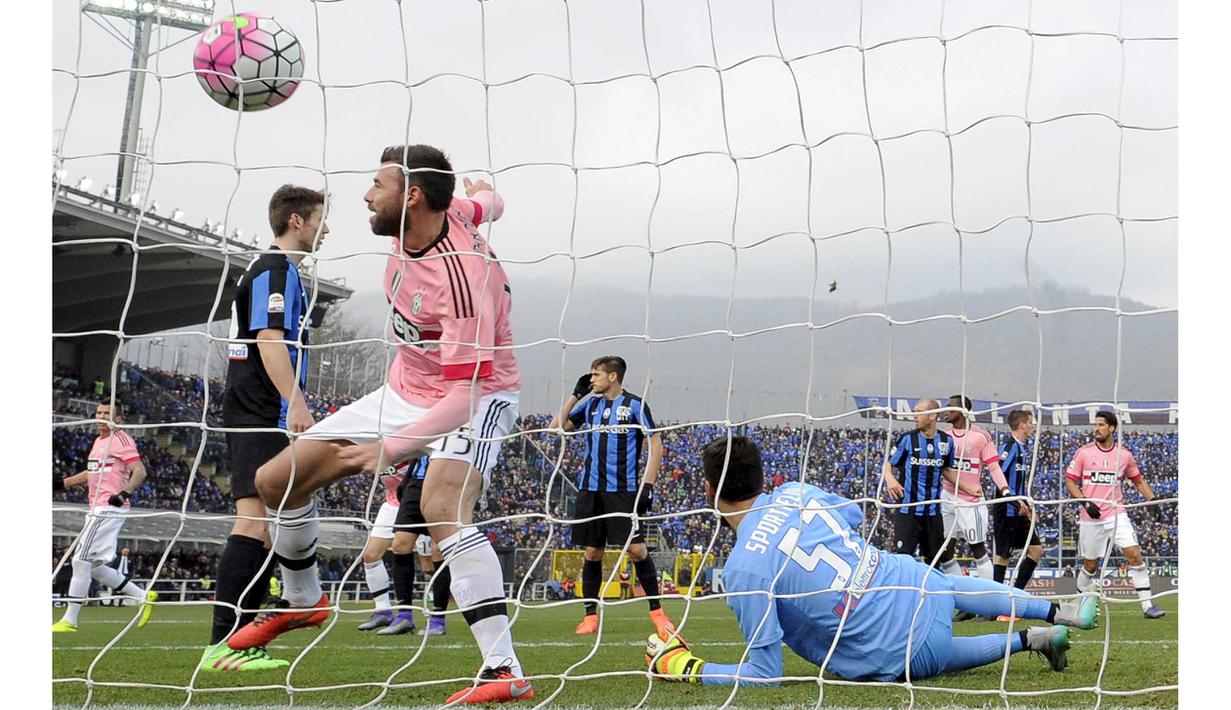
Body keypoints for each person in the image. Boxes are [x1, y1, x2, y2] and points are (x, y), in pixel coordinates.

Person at [229, 145, 531, 704]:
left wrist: (393, 448)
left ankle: (502, 669)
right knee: (277, 481)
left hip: (475, 392)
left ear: (411, 197)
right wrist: (486, 193)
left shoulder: (462, 278)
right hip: (405, 388)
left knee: (442, 507)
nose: (367, 196)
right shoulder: (443, 215)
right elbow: (486, 203)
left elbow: (462, 396)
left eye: (376, 185)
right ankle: (305, 600)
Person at [644, 436, 1100, 686]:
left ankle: (1031, 639)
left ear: (707, 490)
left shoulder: (744, 566)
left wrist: (688, 667)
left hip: (897, 650)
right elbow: (853, 517)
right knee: (943, 585)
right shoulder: (797, 492)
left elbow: (765, 674)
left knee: (935, 656)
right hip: (909, 580)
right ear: (763, 476)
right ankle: (1060, 612)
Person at [200, 185, 327, 672]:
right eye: (320, 219)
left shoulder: (282, 271)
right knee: (254, 523)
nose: (326, 229)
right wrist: (295, 401)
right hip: (259, 411)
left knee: (272, 531)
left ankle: (244, 635)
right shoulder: (273, 269)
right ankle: (224, 643)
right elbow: (270, 339)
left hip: (258, 410)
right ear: (297, 221)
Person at [549, 357, 673, 638]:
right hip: (590, 491)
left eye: (596, 374)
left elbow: (655, 442)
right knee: (592, 552)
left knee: (637, 550)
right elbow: (556, 428)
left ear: (613, 376)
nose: (591, 379)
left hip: (623, 491)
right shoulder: (591, 404)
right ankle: (590, 616)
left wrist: (648, 484)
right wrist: (575, 395)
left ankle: (657, 612)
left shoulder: (634, 406)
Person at [54, 402, 157, 632]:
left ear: (118, 419)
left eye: (106, 414)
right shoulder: (98, 442)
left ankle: (70, 620)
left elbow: (140, 471)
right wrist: (65, 483)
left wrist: (124, 494)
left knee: (80, 560)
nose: (100, 416)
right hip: (97, 508)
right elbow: (93, 471)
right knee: (95, 566)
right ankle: (142, 595)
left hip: (108, 508)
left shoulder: (121, 439)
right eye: (98, 413)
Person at [1065, 411, 1167, 619]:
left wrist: (1152, 500)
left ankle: (1148, 606)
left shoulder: (1124, 455)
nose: (1097, 428)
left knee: (1134, 554)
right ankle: (1077, 605)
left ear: (1112, 428)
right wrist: (1085, 502)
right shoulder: (1084, 453)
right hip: (1091, 517)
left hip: (1116, 513)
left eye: (1101, 425)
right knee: (1090, 566)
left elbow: (1137, 480)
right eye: (1096, 425)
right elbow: (1069, 481)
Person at [881, 399, 980, 568]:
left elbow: (946, 470)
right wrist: (890, 478)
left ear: (933, 416)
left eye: (919, 412)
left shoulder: (945, 441)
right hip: (908, 511)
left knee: (934, 562)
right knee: (904, 561)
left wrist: (967, 487)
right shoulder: (907, 439)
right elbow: (888, 462)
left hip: (933, 513)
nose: (914, 416)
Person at [939, 395, 1015, 604]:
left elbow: (993, 466)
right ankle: (963, 601)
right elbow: (943, 469)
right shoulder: (943, 436)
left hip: (971, 501)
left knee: (978, 550)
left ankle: (988, 602)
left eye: (950, 407)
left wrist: (1005, 490)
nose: (946, 411)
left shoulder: (980, 436)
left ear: (963, 411)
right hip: (946, 498)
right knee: (945, 552)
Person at [992, 410, 1044, 593]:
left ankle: (1016, 593)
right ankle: (996, 604)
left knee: (1036, 550)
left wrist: (1026, 506)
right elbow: (998, 475)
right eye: (1030, 422)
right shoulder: (1009, 446)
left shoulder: (1023, 447)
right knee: (1003, 555)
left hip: (1020, 510)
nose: (1032, 426)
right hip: (1006, 509)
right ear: (1022, 424)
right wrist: (1015, 502)